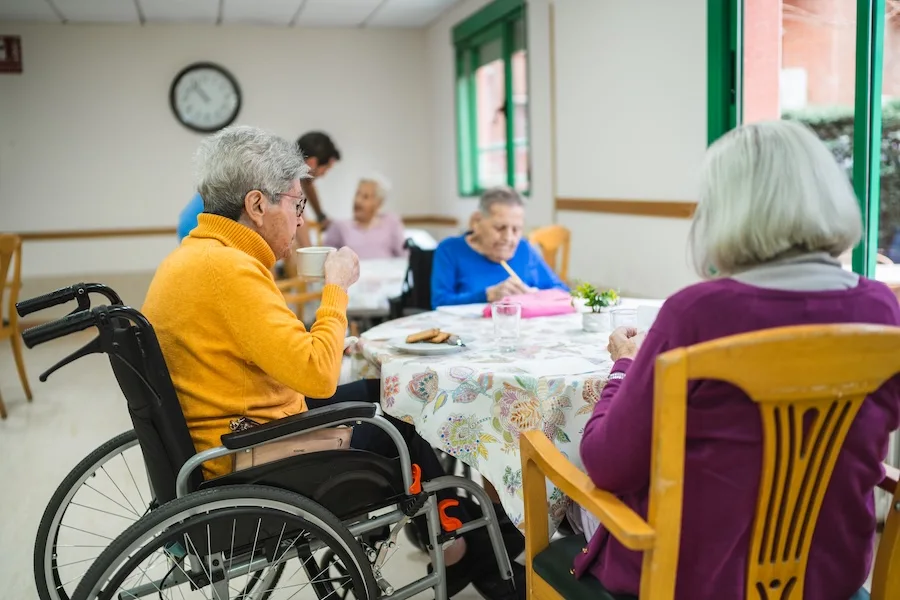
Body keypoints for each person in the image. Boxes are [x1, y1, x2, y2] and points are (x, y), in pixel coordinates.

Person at [144, 125, 510, 599]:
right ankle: (456, 544)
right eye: (296, 205)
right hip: (251, 455)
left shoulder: (195, 257)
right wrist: (335, 288)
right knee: (404, 416)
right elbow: (317, 377)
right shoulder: (230, 270)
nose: (300, 221)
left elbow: (262, 354)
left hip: (229, 434)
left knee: (385, 392)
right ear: (256, 205)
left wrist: (325, 341)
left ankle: (447, 536)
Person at [575, 120, 900, 600]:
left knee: (564, 475)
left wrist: (623, 365)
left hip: (693, 581)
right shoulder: (881, 308)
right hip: (831, 576)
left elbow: (608, 465)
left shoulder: (695, 313)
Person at [175, 130, 340, 243]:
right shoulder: (285, 175)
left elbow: (308, 188)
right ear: (312, 163)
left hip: (195, 220)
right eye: (326, 169)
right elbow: (298, 222)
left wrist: (321, 216)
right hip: (201, 223)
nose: (324, 174)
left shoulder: (281, 164)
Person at [430, 186, 567, 308]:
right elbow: (440, 302)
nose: (508, 238)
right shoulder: (450, 249)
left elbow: (563, 292)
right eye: (500, 228)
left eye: (516, 229)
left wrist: (535, 294)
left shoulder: (524, 248)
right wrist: (486, 295)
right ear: (477, 222)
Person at [323, 175, 407, 259]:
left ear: (378, 203)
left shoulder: (391, 222)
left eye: (365, 197)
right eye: (357, 194)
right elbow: (326, 259)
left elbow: (404, 255)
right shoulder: (339, 226)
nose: (357, 200)